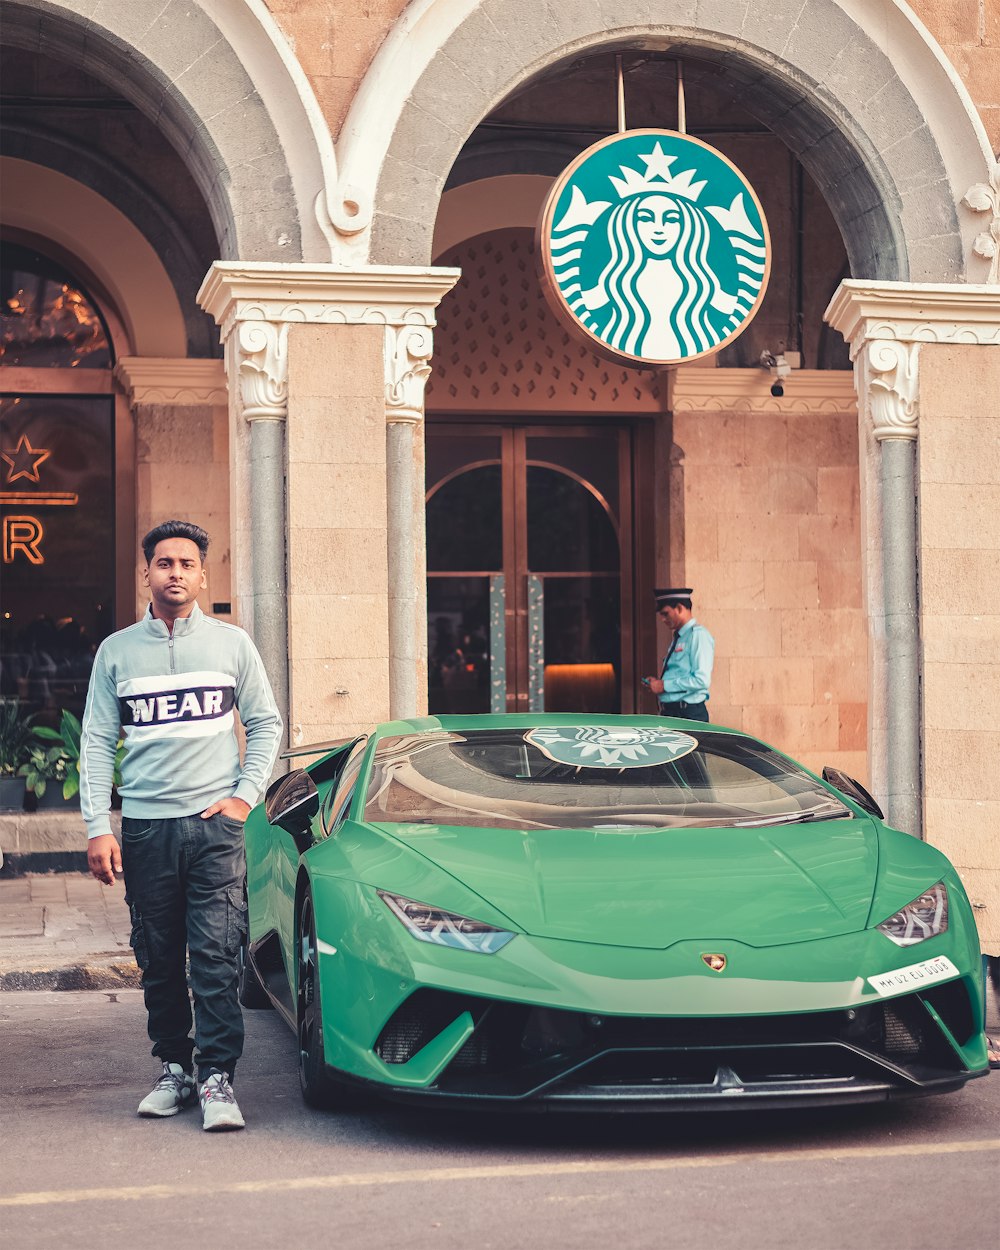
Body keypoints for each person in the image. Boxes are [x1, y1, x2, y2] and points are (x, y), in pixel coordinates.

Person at [81, 520, 282, 1131]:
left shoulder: (232, 645)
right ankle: (175, 1068)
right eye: (163, 563)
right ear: (147, 572)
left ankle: (218, 1077)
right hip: (144, 830)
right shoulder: (116, 651)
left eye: (186, 564)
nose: (175, 573)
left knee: (219, 955)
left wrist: (245, 798)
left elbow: (266, 723)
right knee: (160, 957)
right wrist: (98, 825)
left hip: (214, 829)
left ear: (202, 574)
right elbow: (95, 740)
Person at [643, 587, 714, 722]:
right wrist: (659, 683)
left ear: (680, 608)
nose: (663, 619)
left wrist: (664, 686)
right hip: (673, 712)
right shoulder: (681, 636)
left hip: (687, 713)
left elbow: (701, 680)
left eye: (666, 614)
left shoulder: (698, 635)